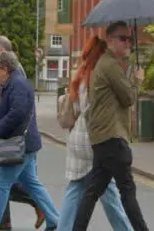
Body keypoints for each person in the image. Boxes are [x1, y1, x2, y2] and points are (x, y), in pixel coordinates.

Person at [0, 51, 58, 231]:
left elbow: (18, 112)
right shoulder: (15, 82)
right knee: (32, 184)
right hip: (26, 143)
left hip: (19, 144)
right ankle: (55, 219)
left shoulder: (17, 84)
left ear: (4, 68)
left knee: (1, 183)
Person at [72, 21, 148, 231]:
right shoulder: (111, 65)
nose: (128, 43)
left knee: (93, 192)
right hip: (113, 138)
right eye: (123, 39)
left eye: (129, 39)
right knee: (127, 190)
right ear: (110, 41)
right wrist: (138, 79)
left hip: (102, 139)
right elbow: (129, 98)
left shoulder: (104, 64)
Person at [56, 36, 132, 231]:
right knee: (110, 196)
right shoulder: (101, 78)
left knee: (75, 188)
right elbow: (125, 101)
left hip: (76, 141)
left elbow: (74, 110)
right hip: (94, 141)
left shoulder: (79, 78)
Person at [0, 36, 45, 230]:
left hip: (13, 138)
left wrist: (2, 129)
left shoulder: (15, 73)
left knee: (0, 182)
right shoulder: (6, 71)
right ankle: (4, 222)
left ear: (3, 52)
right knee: (9, 182)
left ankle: (2, 223)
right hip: (8, 136)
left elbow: (18, 110)